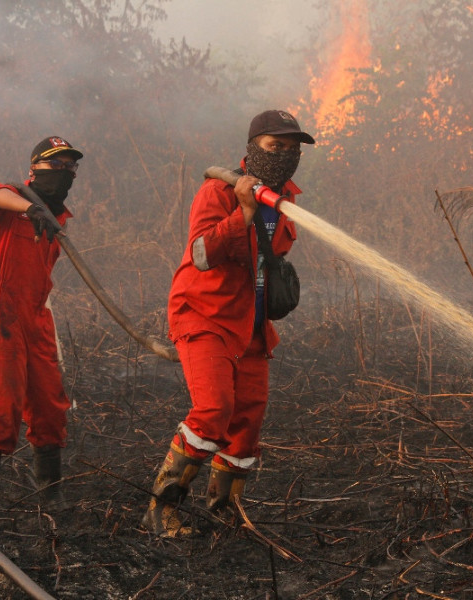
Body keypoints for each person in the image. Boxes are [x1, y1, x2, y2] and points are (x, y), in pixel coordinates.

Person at [142, 110, 316, 536]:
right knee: (214, 408)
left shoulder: (287, 200)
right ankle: (161, 509)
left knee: (247, 421)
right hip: (205, 314)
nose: (286, 155)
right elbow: (202, 254)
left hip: (250, 322)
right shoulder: (217, 191)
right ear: (253, 147)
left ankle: (224, 511)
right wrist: (243, 210)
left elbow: (270, 258)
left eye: (292, 149)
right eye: (276, 146)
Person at [0, 136, 83, 507]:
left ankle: (50, 497)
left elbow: (28, 269)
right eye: (55, 165)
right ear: (35, 169)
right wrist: (30, 210)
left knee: (50, 406)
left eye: (70, 167)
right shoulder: (11, 199)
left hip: (37, 315)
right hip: (2, 316)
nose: (64, 173)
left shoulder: (59, 219)